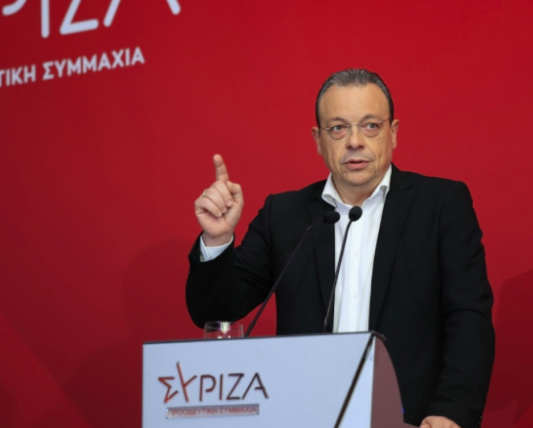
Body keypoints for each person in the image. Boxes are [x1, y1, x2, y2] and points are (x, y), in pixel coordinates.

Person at [186, 69, 494, 428]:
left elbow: (468, 317)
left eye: (370, 126)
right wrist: (217, 239)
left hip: (410, 420)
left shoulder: (441, 205)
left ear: (393, 133)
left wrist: (452, 411)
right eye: (338, 128)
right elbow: (216, 311)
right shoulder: (283, 215)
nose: (354, 141)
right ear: (318, 140)